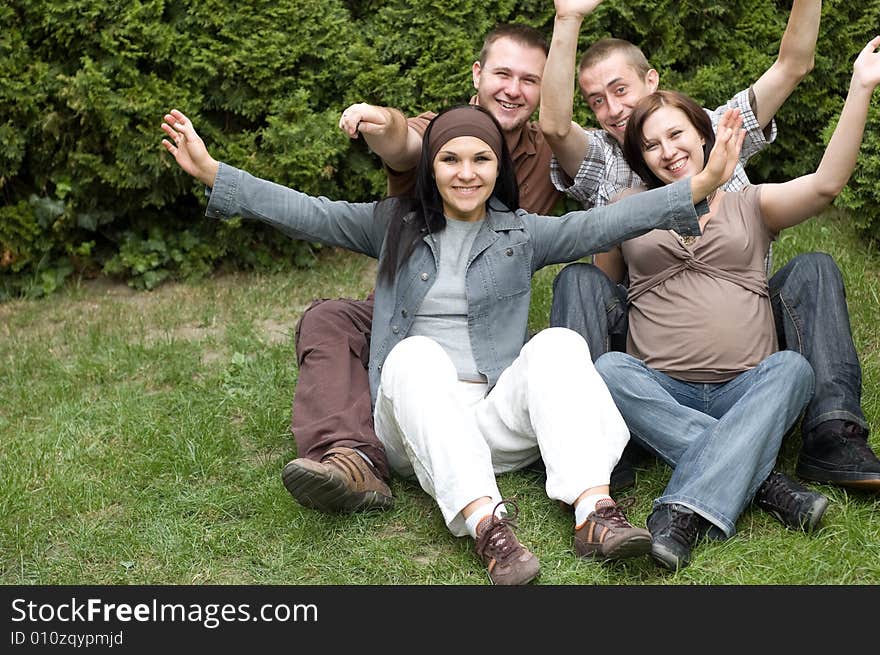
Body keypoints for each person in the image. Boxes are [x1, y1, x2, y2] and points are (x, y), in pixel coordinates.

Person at [160, 103, 744, 583]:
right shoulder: (391, 224)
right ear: (431, 169)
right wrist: (215, 173)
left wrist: (703, 183)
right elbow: (306, 213)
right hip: (415, 425)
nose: (467, 173)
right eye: (451, 159)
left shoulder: (520, 232)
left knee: (559, 344)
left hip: (491, 419)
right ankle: (490, 528)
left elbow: (603, 224)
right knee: (414, 355)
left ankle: (595, 513)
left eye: (481, 159)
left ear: (497, 170)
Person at [541, 0, 880, 495]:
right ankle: (596, 438)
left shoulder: (720, 128)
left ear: (653, 81)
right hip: (652, 339)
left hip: (746, 323)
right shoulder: (604, 163)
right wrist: (567, 18)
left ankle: (832, 431)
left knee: (814, 269)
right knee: (580, 281)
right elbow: (553, 127)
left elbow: (793, 66)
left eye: (621, 90)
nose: (613, 110)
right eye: (597, 100)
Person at [593, 35, 880, 570]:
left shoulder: (751, 203)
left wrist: (861, 87)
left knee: (793, 369)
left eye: (676, 134)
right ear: (639, 157)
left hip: (748, 387)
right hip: (660, 388)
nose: (667, 151)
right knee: (608, 368)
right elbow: (603, 291)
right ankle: (764, 480)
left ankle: (681, 510)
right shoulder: (625, 210)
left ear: (704, 135)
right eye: (651, 145)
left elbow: (825, 186)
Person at [281, 24, 580, 517]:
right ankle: (353, 458)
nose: (513, 89)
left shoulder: (546, 149)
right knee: (330, 319)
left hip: (488, 323)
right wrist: (382, 123)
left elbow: (590, 173)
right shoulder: (442, 132)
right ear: (478, 74)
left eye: (530, 79)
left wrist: (568, 21)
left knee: (550, 353)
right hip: (413, 305)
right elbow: (405, 143)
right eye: (502, 73)